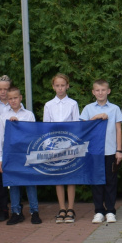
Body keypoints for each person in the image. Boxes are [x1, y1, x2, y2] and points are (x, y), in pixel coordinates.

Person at [0, 85, 42, 225]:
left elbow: (33, 134)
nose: (13, 101)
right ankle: (16, 212)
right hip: (11, 155)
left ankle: (34, 211)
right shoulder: (3, 116)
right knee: (13, 183)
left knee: (30, 183)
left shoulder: (28, 115)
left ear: (20, 98)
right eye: (10, 98)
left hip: (26, 154)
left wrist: (18, 124)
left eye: (15, 98)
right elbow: (0, 139)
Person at [80, 79, 122, 224]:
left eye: (103, 90)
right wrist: (98, 117)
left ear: (108, 91)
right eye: (97, 90)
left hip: (110, 151)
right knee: (96, 182)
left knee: (111, 182)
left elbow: (118, 129)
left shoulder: (115, 108)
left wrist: (119, 150)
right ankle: (99, 210)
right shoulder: (88, 109)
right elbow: (83, 128)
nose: (100, 93)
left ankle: (110, 210)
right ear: (93, 92)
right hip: (94, 152)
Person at [43, 73, 80, 224]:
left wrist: (71, 145)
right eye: (57, 85)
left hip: (69, 145)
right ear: (53, 87)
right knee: (59, 177)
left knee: (70, 176)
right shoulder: (48, 105)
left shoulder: (73, 104)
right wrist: (49, 147)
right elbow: (46, 127)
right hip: (54, 147)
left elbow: (76, 125)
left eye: (62, 85)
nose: (60, 88)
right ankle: (62, 208)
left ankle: (71, 208)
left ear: (67, 86)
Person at [0, 75, 13, 221]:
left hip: (14, 148)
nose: (3, 92)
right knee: (0, 180)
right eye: (0, 89)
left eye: (6, 89)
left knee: (15, 179)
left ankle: (17, 208)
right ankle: (3, 209)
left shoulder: (18, 105)